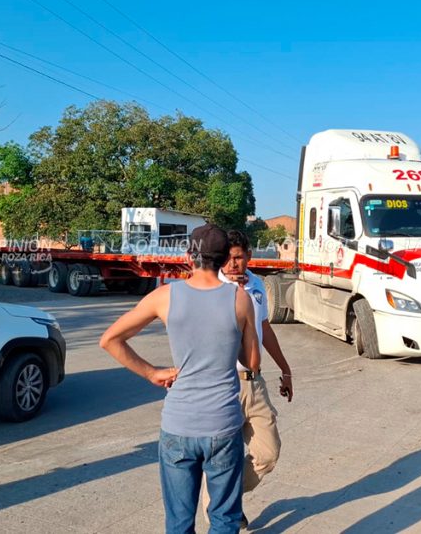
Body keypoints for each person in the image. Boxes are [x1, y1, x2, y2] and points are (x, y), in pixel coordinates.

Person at [100, 223, 260, 534]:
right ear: (226, 257)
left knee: (179, 522)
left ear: (189, 256)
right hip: (222, 425)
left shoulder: (165, 296)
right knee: (225, 520)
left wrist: (152, 373)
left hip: (178, 425)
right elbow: (251, 363)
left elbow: (110, 340)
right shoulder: (239, 299)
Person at [202, 230, 294, 526]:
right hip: (223, 385)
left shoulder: (255, 284)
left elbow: (264, 328)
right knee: (220, 458)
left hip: (254, 383)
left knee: (268, 452)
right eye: (227, 258)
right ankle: (222, 515)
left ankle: (225, 497)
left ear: (249, 257)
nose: (232, 264)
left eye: (239, 257)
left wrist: (285, 368)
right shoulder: (213, 285)